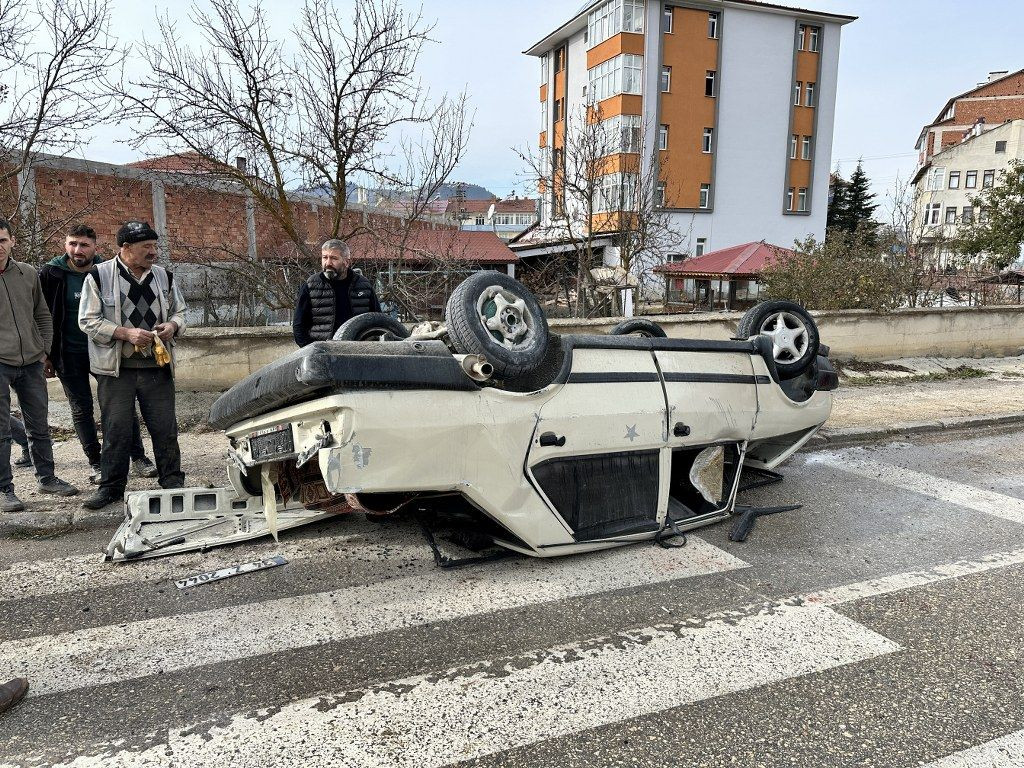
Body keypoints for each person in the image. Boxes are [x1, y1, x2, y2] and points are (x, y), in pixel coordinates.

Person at [78, 221, 187, 510]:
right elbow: (87, 320)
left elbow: (182, 311)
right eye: (146, 248)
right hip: (117, 370)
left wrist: (173, 326)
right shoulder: (99, 276)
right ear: (125, 249)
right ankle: (111, 488)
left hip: (156, 368)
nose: (153, 252)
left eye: (154, 246)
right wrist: (125, 333)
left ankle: (172, 481)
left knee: (165, 428)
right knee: (117, 430)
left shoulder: (164, 276)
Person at [39, 224, 157, 483]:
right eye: (72, 244)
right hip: (68, 353)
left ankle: (137, 457)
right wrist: (46, 355)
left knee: (120, 407)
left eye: (84, 245)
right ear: (65, 244)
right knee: (81, 409)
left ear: (96, 247)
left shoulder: (107, 272)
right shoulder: (51, 273)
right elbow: (42, 314)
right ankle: (96, 462)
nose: (77, 250)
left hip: (106, 350)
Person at [0, 218, 79, 513]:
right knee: (1, 432)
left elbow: (42, 314)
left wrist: (44, 348)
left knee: (39, 426)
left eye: (2, 240)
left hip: (31, 361)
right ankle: (5, 489)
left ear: (12, 241)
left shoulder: (28, 273)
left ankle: (47, 478)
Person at [292, 239, 381, 346]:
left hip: (357, 352)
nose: (328, 263)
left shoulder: (363, 285)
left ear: (346, 262)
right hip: (324, 354)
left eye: (334, 258)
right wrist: (312, 350)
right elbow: (298, 324)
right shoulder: (311, 285)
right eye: (325, 257)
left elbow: (378, 321)